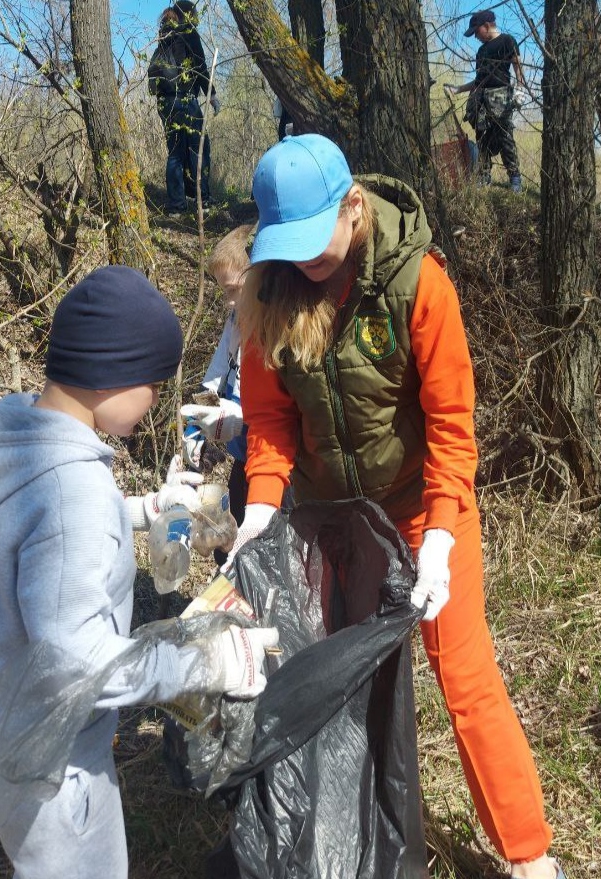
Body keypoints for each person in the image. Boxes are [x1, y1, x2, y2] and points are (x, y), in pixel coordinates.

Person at [227, 134, 565, 879]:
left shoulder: (418, 282)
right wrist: (259, 510)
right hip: (334, 519)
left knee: (465, 678)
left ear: (353, 206)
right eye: (287, 245)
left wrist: (440, 536)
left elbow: (451, 424)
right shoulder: (271, 292)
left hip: (422, 507)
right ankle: (350, 846)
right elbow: (272, 425)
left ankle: (528, 853)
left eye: (316, 240)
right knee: (342, 685)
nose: (305, 259)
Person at [0, 265, 278, 879]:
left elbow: (42, 532)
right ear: (113, 374)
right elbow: (82, 664)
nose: (155, 400)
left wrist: (142, 510)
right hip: (51, 760)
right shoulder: (74, 497)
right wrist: (209, 664)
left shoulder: (23, 440)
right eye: (153, 382)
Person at [181, 225, 252, 566]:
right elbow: (213, 381)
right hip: (243, 458)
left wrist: (237, 418)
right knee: (230, 542)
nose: (229, 301)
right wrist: (196, 422)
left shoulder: (272, 331)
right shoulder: (236, 321)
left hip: (275, 467)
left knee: (257, 546)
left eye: (233, 290)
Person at [148, 3, 219, 216]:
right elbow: (200, 66)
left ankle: (176, 205)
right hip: (186, 98)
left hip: (166, 103)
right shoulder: (189, 34)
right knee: (199, 150)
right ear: (188, 15)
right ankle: (203, 200)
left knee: (175, 153)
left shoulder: (162, 39)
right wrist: (211, 94)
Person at [445, 9, 525, 192]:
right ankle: (484, 177)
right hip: (481, 99)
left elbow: (518, 67)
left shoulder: (507, 41)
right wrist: (458, 90)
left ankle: (515, 179)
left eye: (476, 32)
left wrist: (520, 91)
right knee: (482, 139)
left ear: (487, 25)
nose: (475, 37)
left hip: (501, 97)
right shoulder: (481, 51)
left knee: (505, 137)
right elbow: (479, 80)